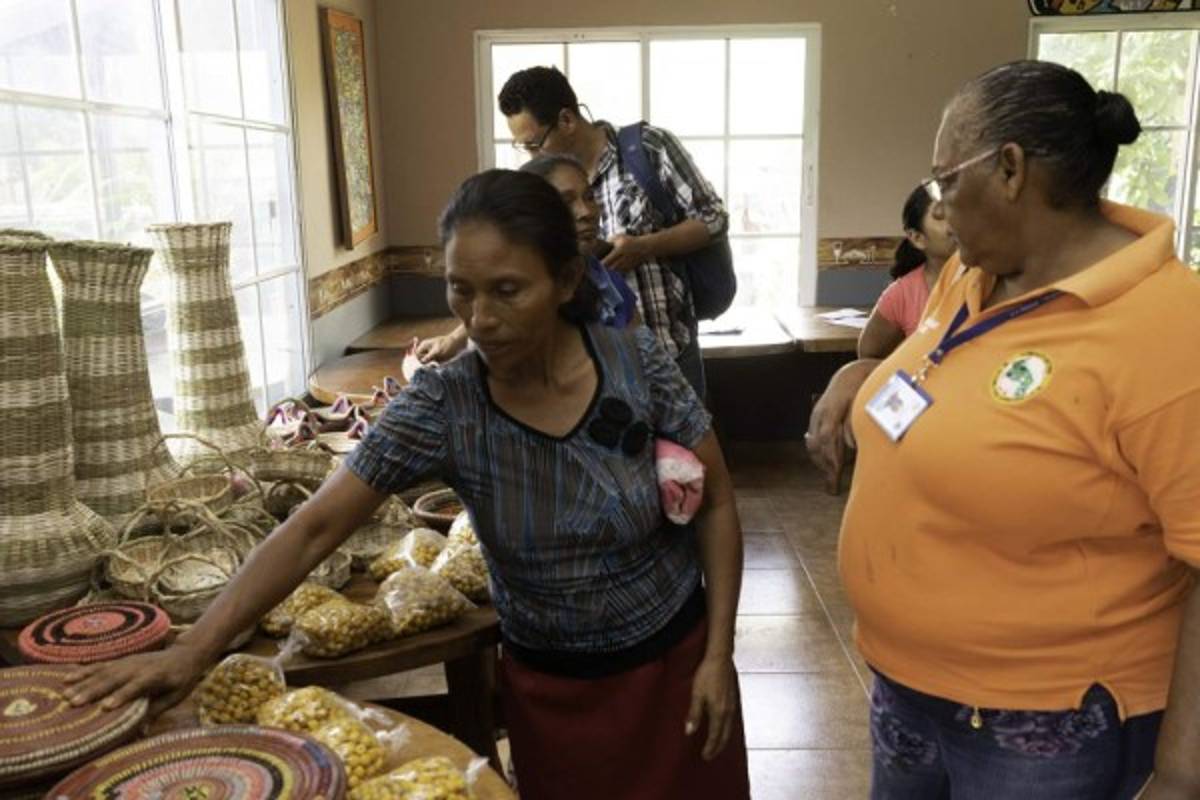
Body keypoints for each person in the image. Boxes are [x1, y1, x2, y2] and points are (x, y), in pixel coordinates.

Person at [63, 169, 751, 800]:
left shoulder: (637, 365)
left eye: (507, 290)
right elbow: (312, 528)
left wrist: (718, 654)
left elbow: (717, 503)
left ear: (566, 280)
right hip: (553, 695)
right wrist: (193, 649)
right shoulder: (446, 407)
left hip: (677, 674)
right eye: (460, 289)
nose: (479, 318)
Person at [811, 60, 1200, 799]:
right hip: (909, 689)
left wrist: (1182, 775)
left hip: (1045, 723)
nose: (938, 202)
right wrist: (855, 377)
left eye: (945, 180)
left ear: (1011, 169)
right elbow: (944, 373)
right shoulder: (976, 272)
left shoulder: (1172, 329)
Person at [498, 65, 728, 397]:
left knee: (686, 449)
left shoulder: (649, 149)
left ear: (566, 120)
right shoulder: (542, 184)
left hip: (672, 352)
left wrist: (646, 246)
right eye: (524, 148)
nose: (532, 156)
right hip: (597, 370)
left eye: (535, 144)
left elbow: (714, 218)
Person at [415, 154, 637, 363]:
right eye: (566, 202)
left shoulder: (611, 286)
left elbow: (640, 359)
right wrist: (453, 340)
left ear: (568, 281)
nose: (586, 212)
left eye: (589, 197)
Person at [857, 183, 956, 358]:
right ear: (917, 238)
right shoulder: (902, 294)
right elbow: (868, 357)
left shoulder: (994, 278)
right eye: (941, 216)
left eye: (959, 211)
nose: (955, 223)